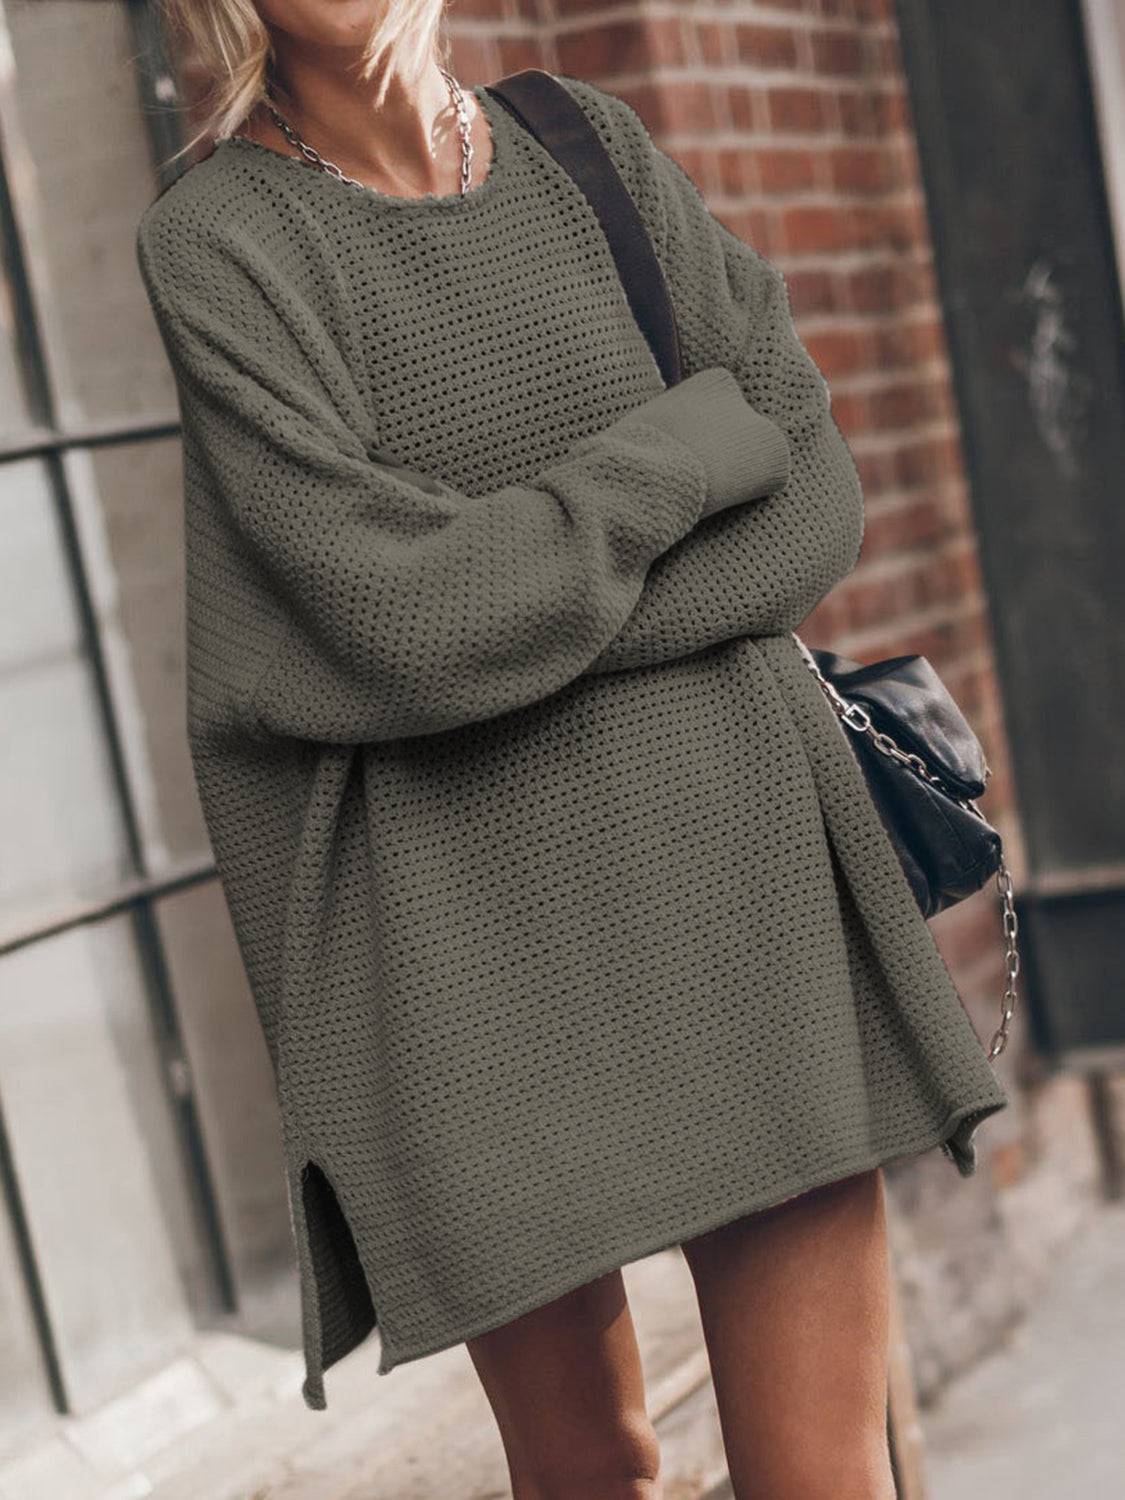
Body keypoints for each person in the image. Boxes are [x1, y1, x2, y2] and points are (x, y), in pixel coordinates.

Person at [138, 2, 1009, 1495]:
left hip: (742, 888)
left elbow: (808, 504)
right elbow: (405, 615)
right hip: (460, 960)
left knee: (826, 1478)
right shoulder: (217, 241)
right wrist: (678, 454)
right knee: (588, 1474)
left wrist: (511, 598)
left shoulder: (584, 145)